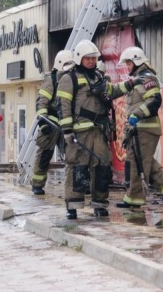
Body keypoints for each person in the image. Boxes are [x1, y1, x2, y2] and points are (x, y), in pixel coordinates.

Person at [104, 47, 163, 208]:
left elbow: (154, 101)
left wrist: (136, 115)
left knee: (135, 161)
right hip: (139, 129)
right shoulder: (138, 79)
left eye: (128, 63)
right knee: (143, 161)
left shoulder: (148, 79)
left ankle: (134, 198)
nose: (127, 67)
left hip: (146, 128)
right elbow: (117, 90)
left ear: (136, 61)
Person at [56, 40, 114, 219]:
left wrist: (131, 84)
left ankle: (100, 204)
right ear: (79, 58)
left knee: (103, 165)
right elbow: (63, 105)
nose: (92, 61)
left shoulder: (99, 77)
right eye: (88, 58)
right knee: (76, 167)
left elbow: (112, 93)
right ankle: (72, 206)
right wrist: (67, 131)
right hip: (78, 133)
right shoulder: (69, 78)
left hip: (99, 131)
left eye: (94, 58)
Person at [31, 50, 75, 195]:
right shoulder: (51, 80)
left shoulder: (71, 79)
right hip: (51, 124)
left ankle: (75, 186)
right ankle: (37, 184)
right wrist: (43, 122)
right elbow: (41, 102)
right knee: (44, 155)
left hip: (67, 124)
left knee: (72, 156)